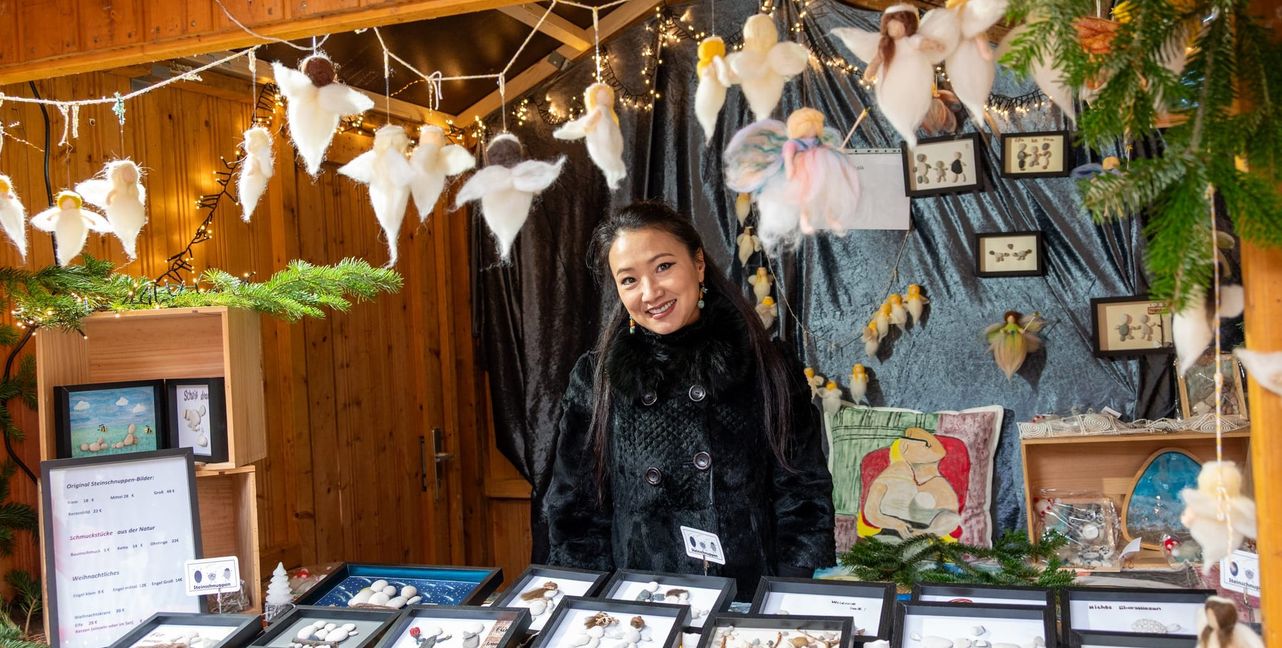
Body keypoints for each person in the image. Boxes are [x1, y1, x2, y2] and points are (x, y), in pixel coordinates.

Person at [543, 201, 835, 596]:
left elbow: (802, 493)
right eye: (628, 280)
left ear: (698, 264)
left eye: (664, 267)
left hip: (746, 599)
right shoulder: (597, 379)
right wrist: (598, 606)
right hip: (642, 605)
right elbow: (574, 510)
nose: (650, 292)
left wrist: (783, 596)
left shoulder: (768, 365)